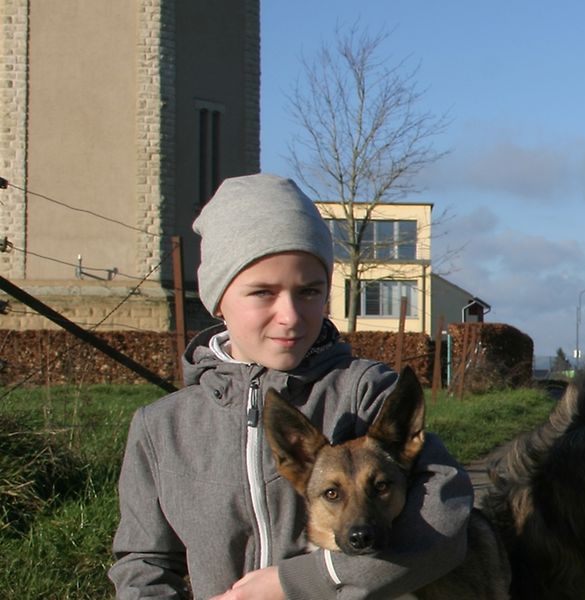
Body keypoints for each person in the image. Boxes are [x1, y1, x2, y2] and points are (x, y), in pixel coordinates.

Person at [109, 174, 472, 599]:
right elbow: (143, 564)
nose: (290, 316)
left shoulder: (365, 391)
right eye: (262, 292)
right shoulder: (162, 428)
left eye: (309, 291)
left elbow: (446, 522)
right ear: (217, 298)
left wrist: (302, 581)